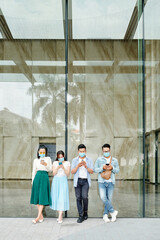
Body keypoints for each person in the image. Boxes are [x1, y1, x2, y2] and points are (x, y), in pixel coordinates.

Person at [94, 143, 120, 223]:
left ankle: (105, 215)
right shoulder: (99, 159)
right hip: (102, 181)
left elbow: (117, 171)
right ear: (102, 151)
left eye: (107, 151)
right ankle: (112, 212)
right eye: (104, 151)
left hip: (111, 182)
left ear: (110, 150)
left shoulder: (114, 160)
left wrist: (112, 168)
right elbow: (95, 170)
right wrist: (102, 168)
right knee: (103, 197)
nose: (106, 152)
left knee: (109, 199)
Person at [71, 144, 93, 223]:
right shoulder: (74, 160)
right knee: (78, 197)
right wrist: (77, 166)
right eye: (80, 151)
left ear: (85, 151)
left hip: (85, 181)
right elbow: (72, 172)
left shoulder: (89, 160)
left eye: (83, 151)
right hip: (77, 181)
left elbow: (92, 171)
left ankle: (85, 212)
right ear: (78, 151)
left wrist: (86, 166)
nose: (82, 152)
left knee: (85, 197)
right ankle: (81, 215)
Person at [30, 145, 52, 224]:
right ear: (38, 152)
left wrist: (46, 164)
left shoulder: (48, 159)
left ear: (45, 152)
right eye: (40, 152)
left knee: (42, 196)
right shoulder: (35, 160)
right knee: (37, 197)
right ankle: (41, 216)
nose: (42, 153)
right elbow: (34, 171)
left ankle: (37, 218)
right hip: (37, 177)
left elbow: (50, 169)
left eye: (43, 152)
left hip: (44, 177)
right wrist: (33, 181)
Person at [50, 150, 70, 224]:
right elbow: (54, 173)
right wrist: (58, 167)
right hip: (56, 181)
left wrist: (63, 167)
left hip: (63, 180)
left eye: (62, 157)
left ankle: (60, 216)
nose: (60, 158)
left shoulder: (67, 163)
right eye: (59, 157)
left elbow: (67, 174)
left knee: (62, 197)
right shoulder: (55, 163)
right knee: (57, 197)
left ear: (64, 156)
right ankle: (60, 215)